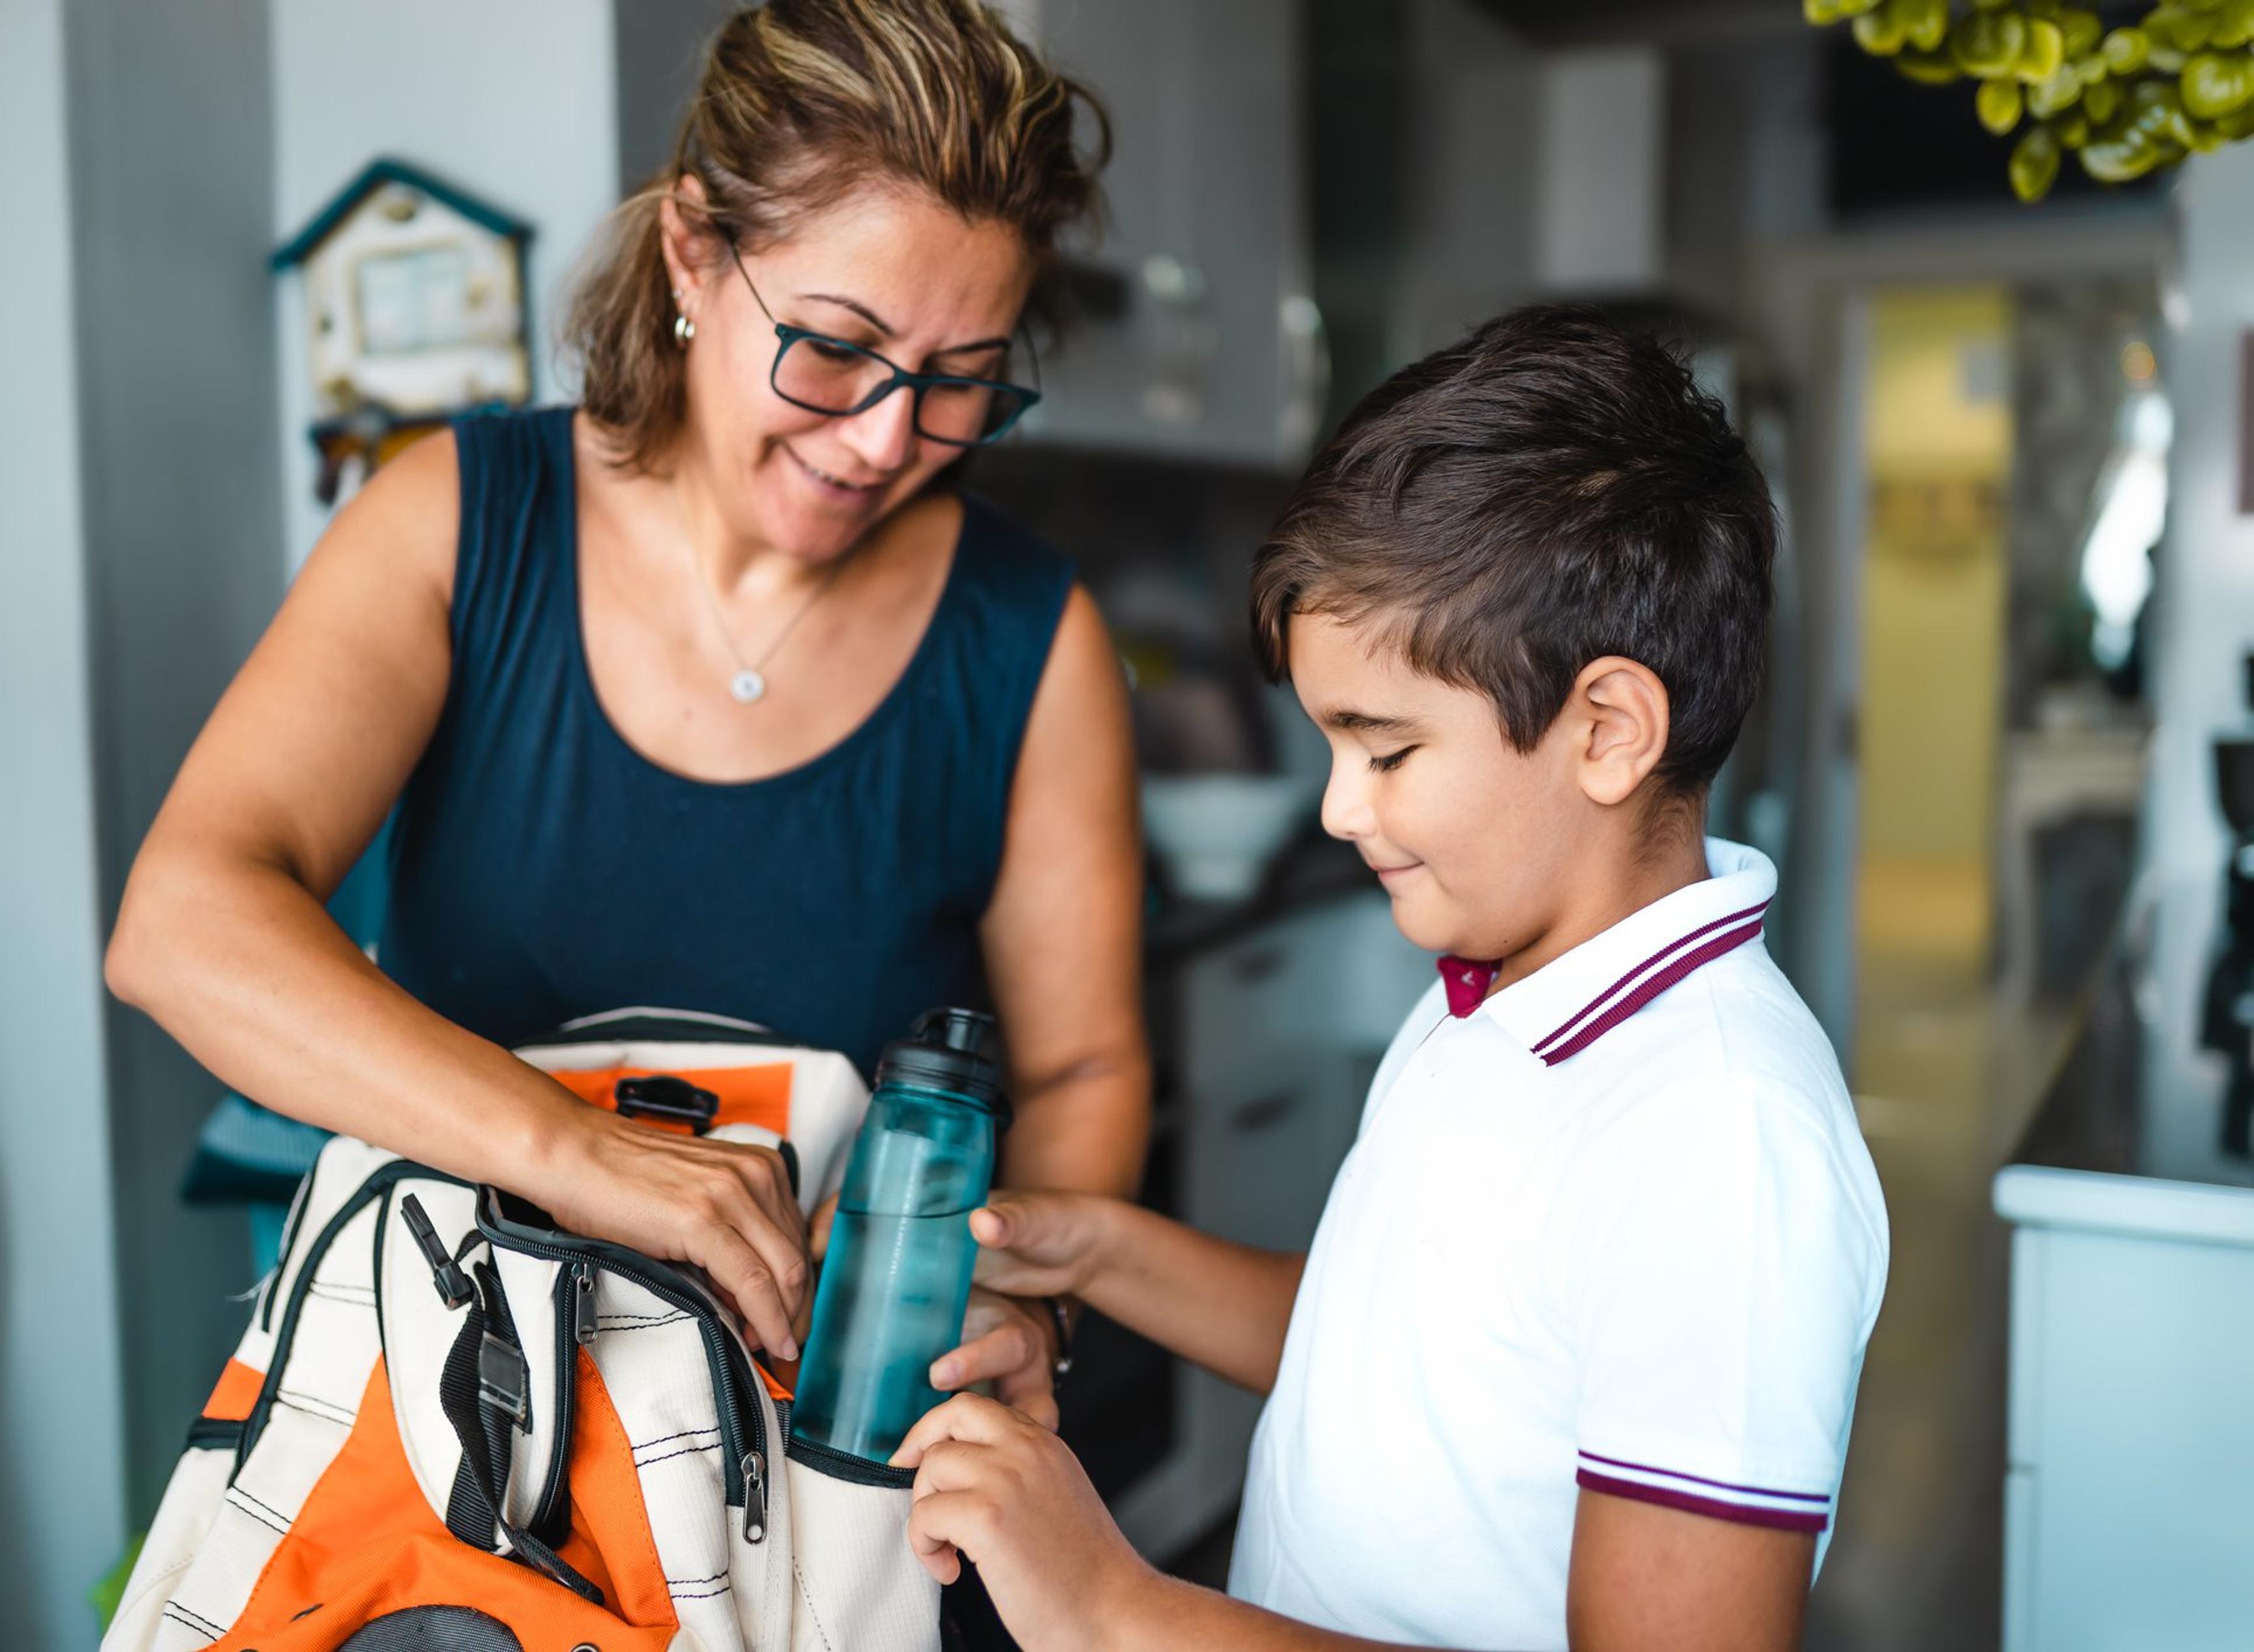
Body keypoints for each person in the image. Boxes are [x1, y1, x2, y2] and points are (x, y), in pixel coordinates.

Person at [106, 0, 1146, 1424]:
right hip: (455, 1424)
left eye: (961, 382)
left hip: (826, 1451)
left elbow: (1085, 1064)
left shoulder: (1037, 641)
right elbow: (181, 925)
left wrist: (1023, 1300)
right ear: (693, 250)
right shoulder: (455, 520)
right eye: (836, 347)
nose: (885, 438)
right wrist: (576, 1148)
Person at [888, 307, 1891, 1652]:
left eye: (1386, 747)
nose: (1337, 809)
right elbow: (1414, 1345)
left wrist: (1114, 1604)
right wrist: (1106, 1247)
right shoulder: (1504, 978)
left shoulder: (1713, 1138)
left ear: (1606, 730)